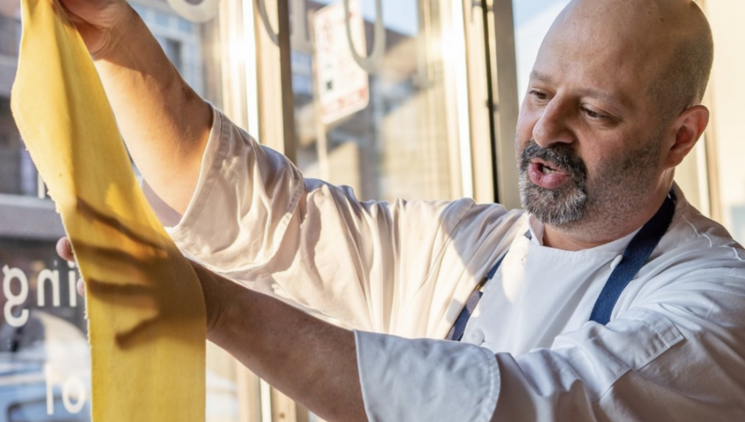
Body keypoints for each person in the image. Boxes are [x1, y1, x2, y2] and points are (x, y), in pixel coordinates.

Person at [54, 0, 745, 420]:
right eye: (539, 94)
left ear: (680, 136)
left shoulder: (715, 304)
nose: (545, 131)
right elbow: (266, 216)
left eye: (593, 110)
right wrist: (116, 43)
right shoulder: (474, 246)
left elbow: (528, 403)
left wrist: (215, 306)